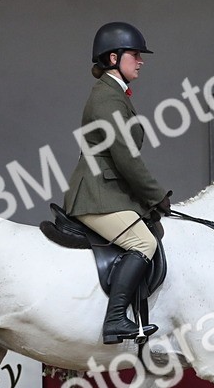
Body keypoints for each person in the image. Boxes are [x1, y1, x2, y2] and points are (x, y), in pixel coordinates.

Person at [63, 22, 172, 344]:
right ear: (113, 58)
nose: (140, 61)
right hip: (97, 196)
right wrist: (155, 196)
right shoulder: (107, 99)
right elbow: (125, 158)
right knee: (143, 244)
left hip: (109, 193)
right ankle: (114, 320)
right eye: (135, 55)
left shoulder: (114, 94)